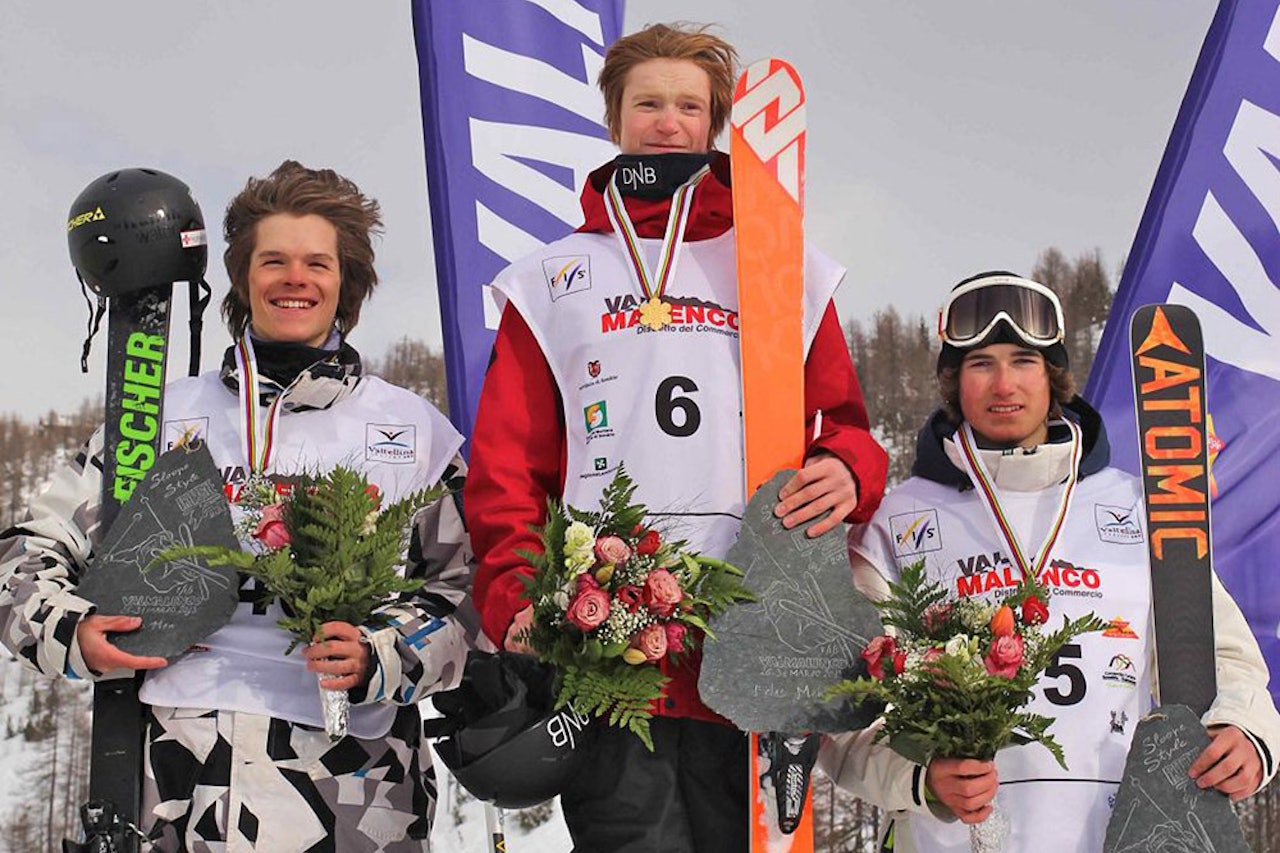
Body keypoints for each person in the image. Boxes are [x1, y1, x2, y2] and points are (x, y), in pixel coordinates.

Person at [463, 22, 889, 852]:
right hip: (612, 650)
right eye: (647, 103)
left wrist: (847, 469)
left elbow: (844, 425)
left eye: (688, 106)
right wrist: (516, 600)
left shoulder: (780, 264)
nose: (667, 122)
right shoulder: (551, 279)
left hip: (758, 636)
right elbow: (508, 470)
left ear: (716, 124)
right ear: (614, 120)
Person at [0, 161, 481, 851]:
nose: (295, 277)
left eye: (317, 262)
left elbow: (466, 592)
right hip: (177, 767)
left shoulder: (413, 432)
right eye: (273, 259)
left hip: (352, 781)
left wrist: (385, 653)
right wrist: (69, 630)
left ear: (347, 282)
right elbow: (27, 548)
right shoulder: (160, 416)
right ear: (242, 277)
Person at [819, 271, 1280, 851]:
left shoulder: (1140, 505)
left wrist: (1243, 729)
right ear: (953, 381)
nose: (1003, 383)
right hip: (957, 836)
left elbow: (1224, 657)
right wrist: (921, 777)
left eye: (1024, 361)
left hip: (1118, 829)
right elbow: (842, 711)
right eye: (980, 363)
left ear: (1053, 376)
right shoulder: (896, 523)